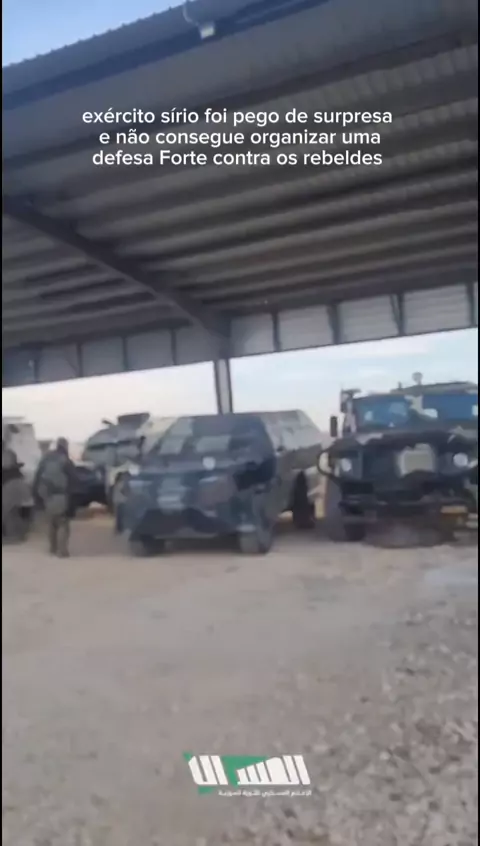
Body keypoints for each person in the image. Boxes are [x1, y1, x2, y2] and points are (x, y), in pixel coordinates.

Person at [33, 437, 78, 557]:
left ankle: (52, 548)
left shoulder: (46, 458)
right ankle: (62, 550)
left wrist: (37, 496)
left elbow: (37, 477)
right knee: (63, 522)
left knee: (52, 522)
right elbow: (73, 480)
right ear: (65, 446)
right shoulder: (66, 461)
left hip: (46, 495)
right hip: (61, 495)